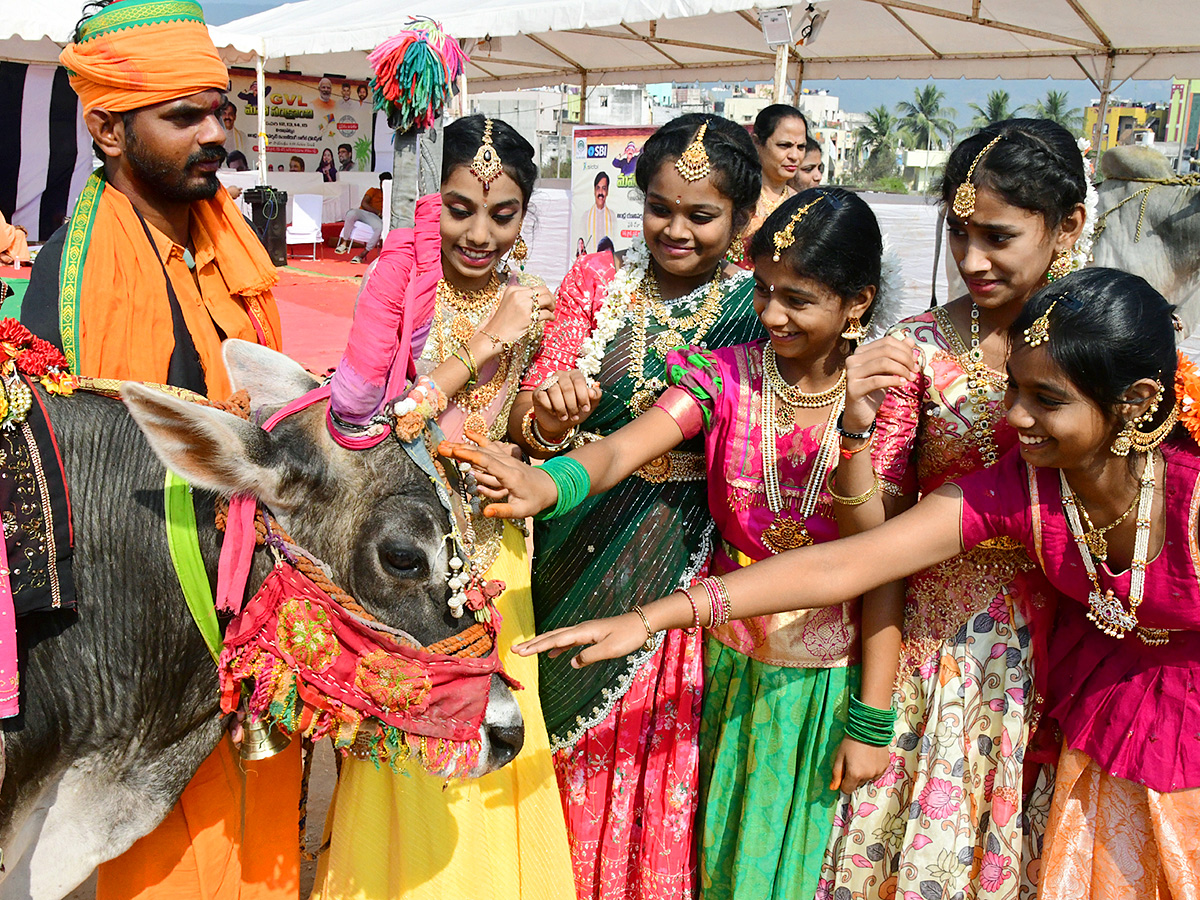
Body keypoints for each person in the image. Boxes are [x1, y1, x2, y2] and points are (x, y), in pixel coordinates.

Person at [510, 266, 1200, 900]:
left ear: (1137, 402)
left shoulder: (1191, 497)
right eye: (1014, 386)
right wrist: (653, 618)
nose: (1013, 416)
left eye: (1044, 399)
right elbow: (852, 562)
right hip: (1106, 721)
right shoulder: (1023, 487)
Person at [449, 188, 908, 899]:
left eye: (799, 299)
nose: (772, 315)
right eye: (761, 291)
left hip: (823, 680)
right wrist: (549, 486)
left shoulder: (889, 400)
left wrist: (872, 720)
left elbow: (877, 565)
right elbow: (621, 451)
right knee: (711, 861)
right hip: (716, 663)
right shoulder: (726, 374)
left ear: (857, 303)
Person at [18, 2, 295, 900]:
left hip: (257, 614)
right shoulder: (74, 280)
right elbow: (97, 509)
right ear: (104, 125)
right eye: (185, 116)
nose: (216, 134)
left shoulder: (222, 242)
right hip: (163, 640)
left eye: (221, 109)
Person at [812, 118, 1090, 900]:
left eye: (997, 237)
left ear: (1067, 224)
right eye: (958, 234)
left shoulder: (1104, 340)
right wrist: (857, 435)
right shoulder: (919, 348)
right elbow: (874, 546)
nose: (972, 260)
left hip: (1070, 654)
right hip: (934, 659)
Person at [311, 115, 574, 900]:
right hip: (403, 570)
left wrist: (549, 424)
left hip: (498, 557)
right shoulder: (398, 287)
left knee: (499, 736)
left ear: (527, 214)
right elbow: (379, 421)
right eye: (460, 208)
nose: (481, 232)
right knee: (406, 743)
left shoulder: (538, 302)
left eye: (503, 213)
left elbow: (525, 420)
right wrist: (487, 340)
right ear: (433, 205)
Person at [504, 113, 766, 898]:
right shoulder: (598, 282)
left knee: (648, 743)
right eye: (659, 208)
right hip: (575, 531)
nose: (674, 229)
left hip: (683, 548)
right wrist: (551, 415)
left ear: (743, 219)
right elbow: (528, 415)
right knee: (559, 714)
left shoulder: (758, 309)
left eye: (701, 215)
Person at [728, 104, 807, 268]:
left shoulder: (803, 205)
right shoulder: (734, 198)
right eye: (784, 145)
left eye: (801, 147)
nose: (794, 156)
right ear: (757, 142)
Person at [334, 172, 391, 262]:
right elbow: (364, 204)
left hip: (375, 218)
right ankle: (344, 243)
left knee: (379, 228)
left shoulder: (390, 196)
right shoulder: (373, 190)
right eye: (381, 183)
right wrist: (378, 212)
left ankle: (363, 254)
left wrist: (380, 215)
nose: (382, 185)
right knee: (351, 213)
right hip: (364, 213)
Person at [577, 170, 614, 253]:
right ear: (594, 191)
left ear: (607, 191)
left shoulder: (612, 216)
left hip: (607, 261)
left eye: (604, 188)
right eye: (598, 188)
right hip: (591, 261)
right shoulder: (586, 216)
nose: (600, 192)